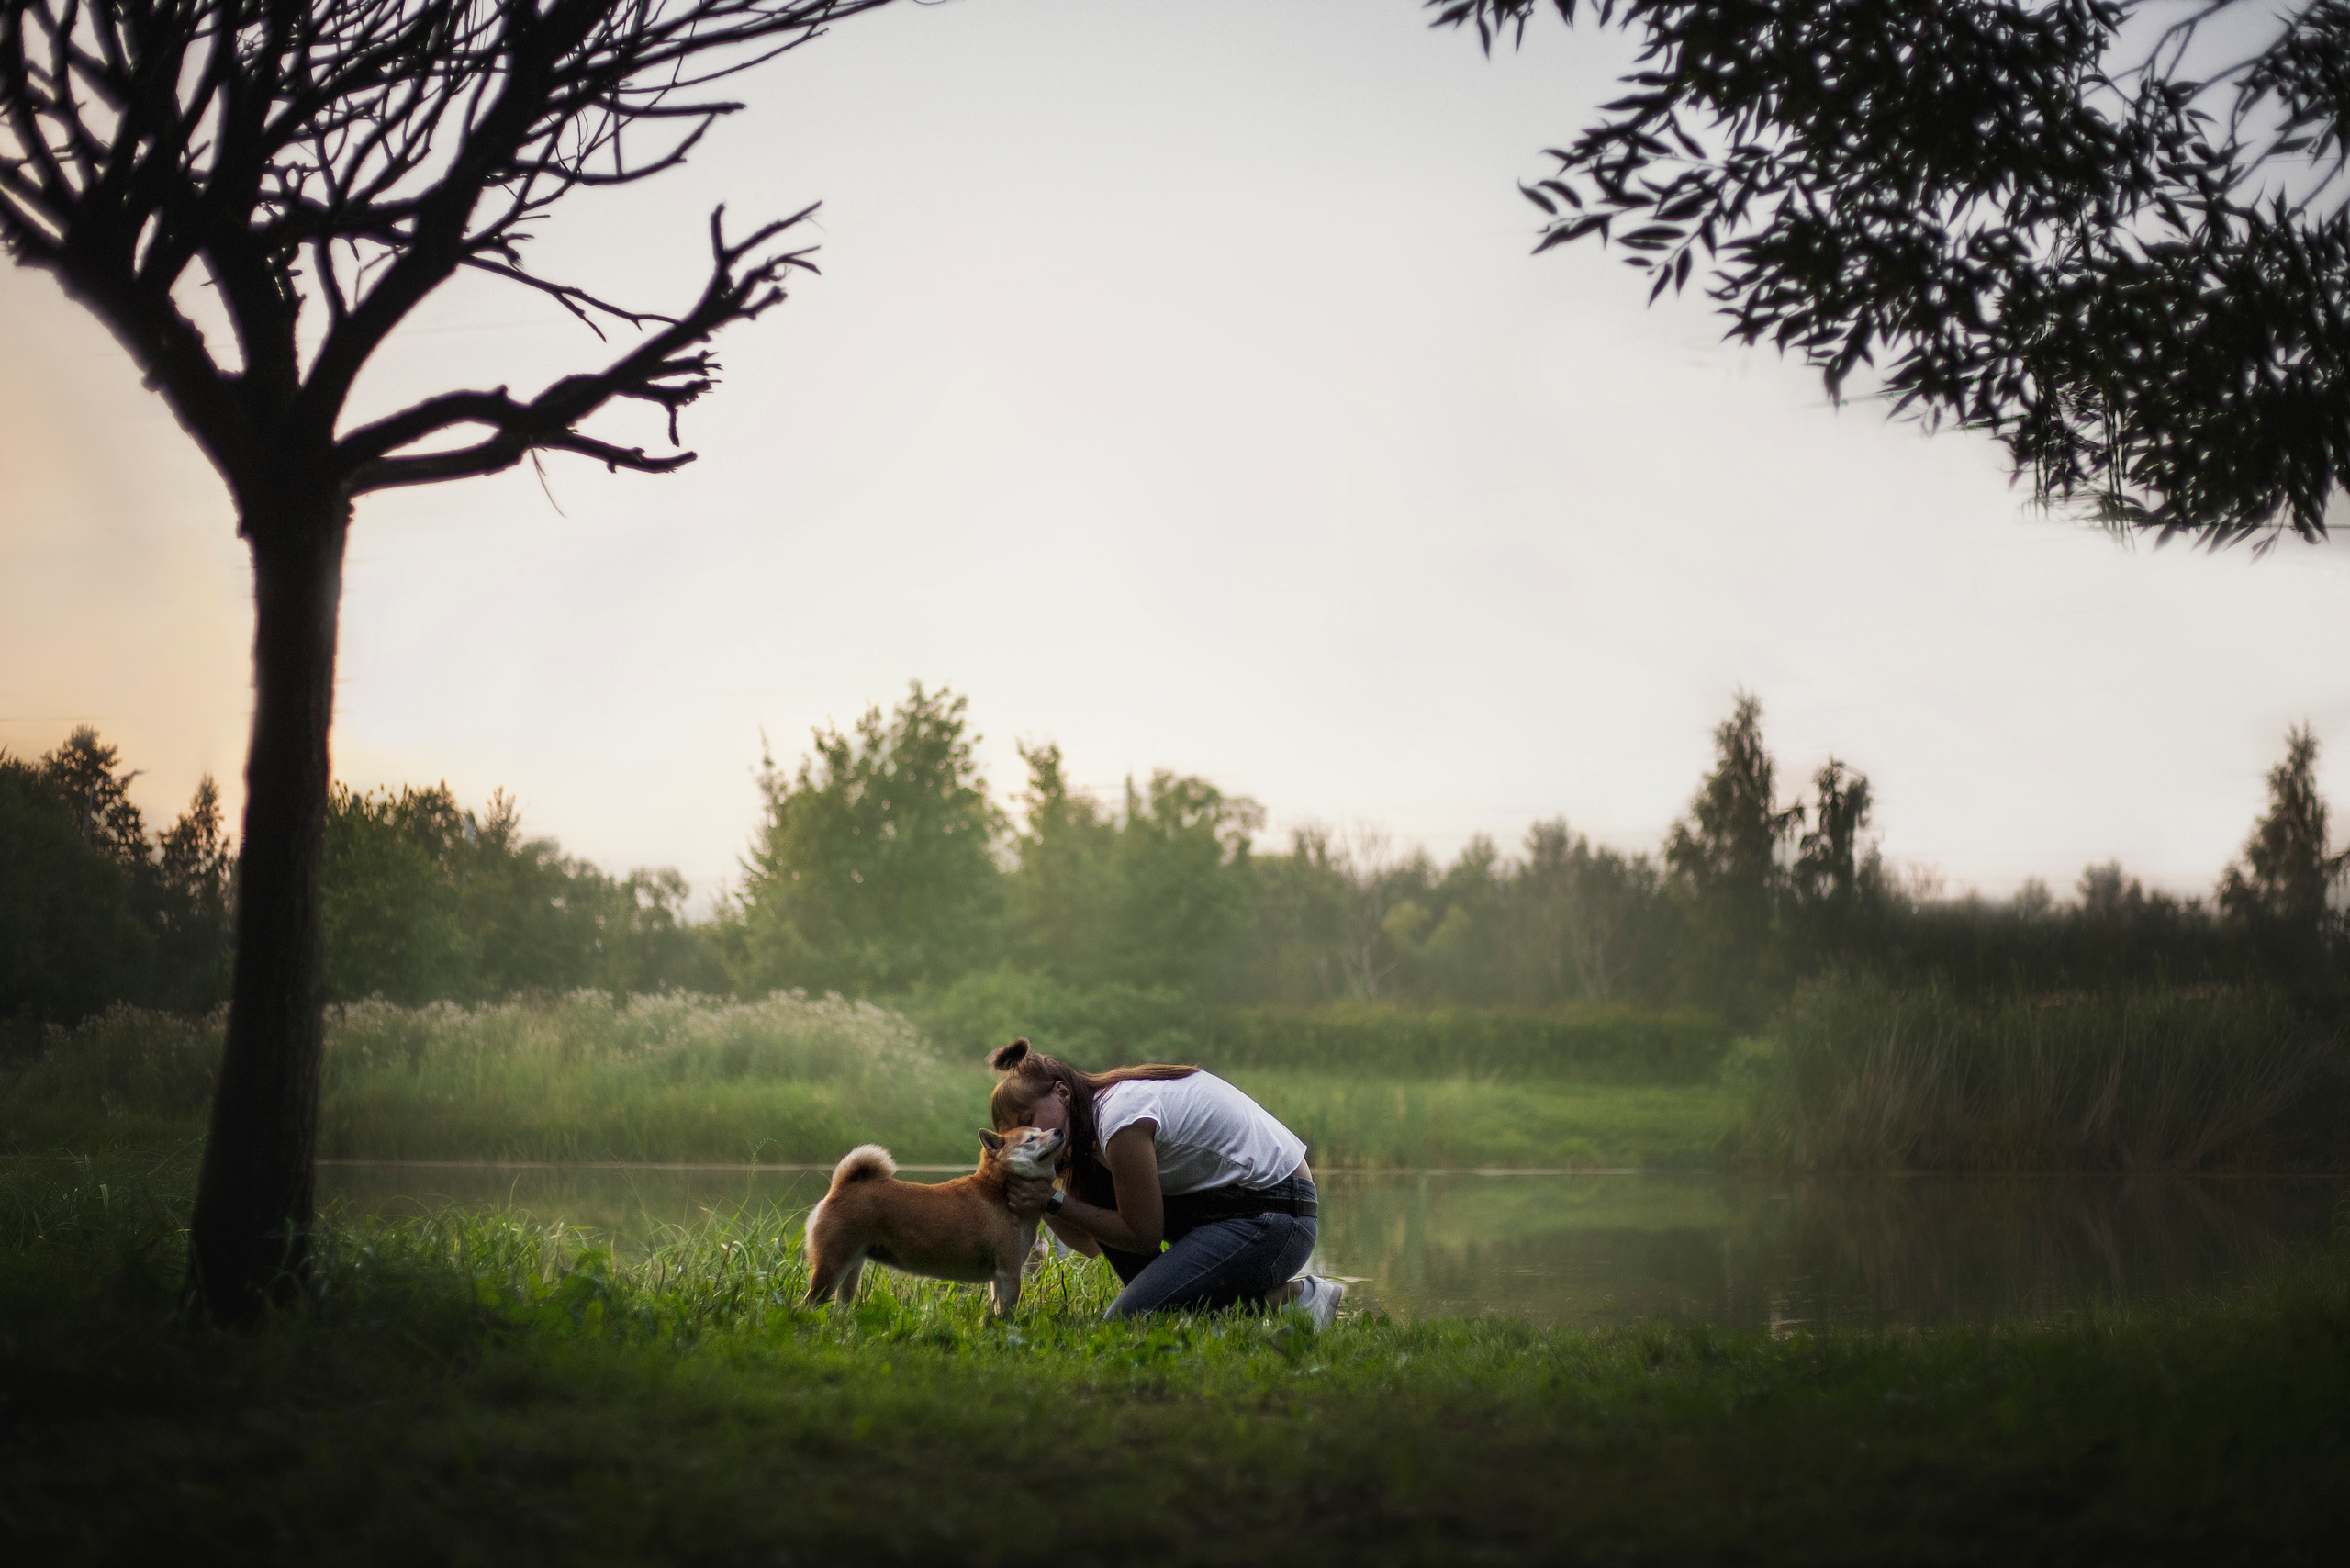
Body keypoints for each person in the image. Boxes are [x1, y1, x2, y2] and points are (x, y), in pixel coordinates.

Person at [987, 1037, 1347, 1326]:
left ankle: (1298, 1298)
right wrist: (1038, 1188)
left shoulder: (1119, 1117)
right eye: (1021, 1135)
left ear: (1062, 1093)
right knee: (1148, 1309)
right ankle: (1194, 1309)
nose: (1032, 1134)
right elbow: (1091, 1243)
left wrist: (1051, 1201)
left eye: (1029, 1120)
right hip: (1236, 1209)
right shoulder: (1094, 1137)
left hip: (1279, 1216)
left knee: (1128, 1319)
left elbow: (1143, 1235)